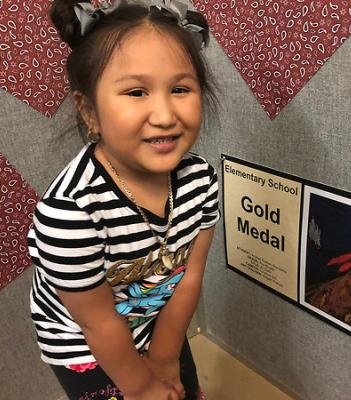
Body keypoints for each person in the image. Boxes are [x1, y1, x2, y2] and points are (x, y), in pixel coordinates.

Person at [27, 1, 219, 399]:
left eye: (180, 89)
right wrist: (142, 386)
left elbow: (190, 277)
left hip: (156, 316)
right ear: (89, 111)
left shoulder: (201, 180)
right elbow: (97, 324)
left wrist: (165, 357)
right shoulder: (71, 212)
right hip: (84, 343)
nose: (165, 114)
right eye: (136, 92)